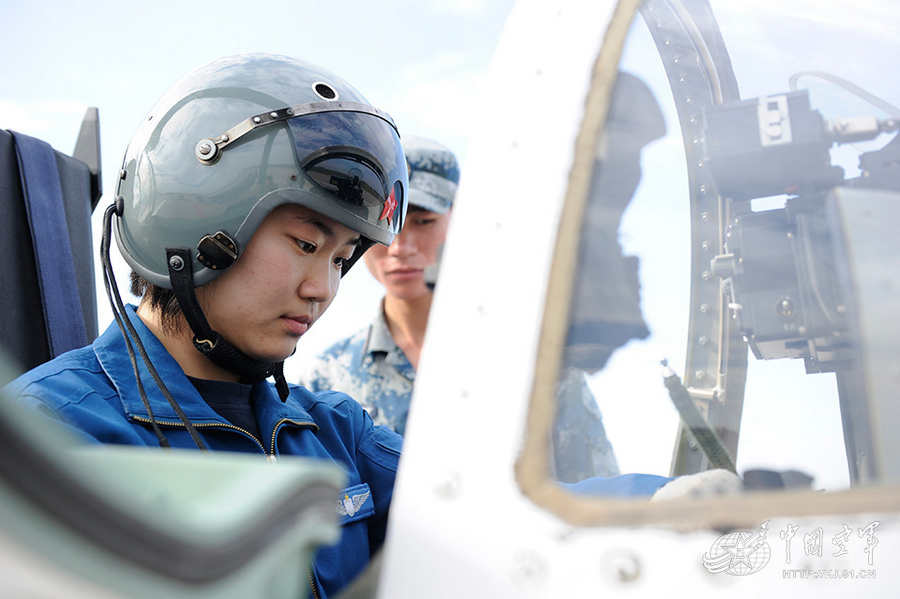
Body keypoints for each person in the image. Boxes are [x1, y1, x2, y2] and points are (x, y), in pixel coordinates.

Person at [5, 53, 409, 599]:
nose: (323, 289)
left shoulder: (336, 433)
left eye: (340, 260)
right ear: (197, 222)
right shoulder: (48, 437)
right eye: (306, 244)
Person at [299, 136, 620, 481]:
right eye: (387, 224)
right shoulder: (327, 377)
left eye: (423, 222)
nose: (400, 247)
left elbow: (594, 496)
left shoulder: (536, 364)